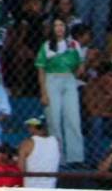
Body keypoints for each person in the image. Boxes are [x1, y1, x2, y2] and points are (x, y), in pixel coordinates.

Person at [35, 18, 84, 166]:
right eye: (55, 25)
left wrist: (75, 74)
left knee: (73, 118)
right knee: (54, 120)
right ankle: (58, 157)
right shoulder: (46, 46)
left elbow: (81, 65)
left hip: (69, 80)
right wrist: (44, 92)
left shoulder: (74, 44)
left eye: (61, 25)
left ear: (66, 27)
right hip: (51, 80)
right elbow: (41, 70)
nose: (59, 28)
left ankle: (76, 158)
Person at [17, 117, 60, 191]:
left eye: (29, 126)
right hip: (51, 189)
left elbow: (21, 168)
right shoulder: (56, 141)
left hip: (31, 189)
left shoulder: (27, 143)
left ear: (33, 127)